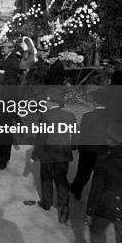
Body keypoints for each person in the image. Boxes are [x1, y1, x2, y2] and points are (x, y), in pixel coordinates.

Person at [32, 89, 77, 223]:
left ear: (51, 102)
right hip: (63, 154)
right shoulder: (70, 115)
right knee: (61, 180)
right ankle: (63, 207)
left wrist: (35, 155)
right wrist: (72, 147)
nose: (45, 103)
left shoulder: (45, 116)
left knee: (46, 178)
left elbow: (41, 138)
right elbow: (76, 135)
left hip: (48, 154)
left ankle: (46, 203)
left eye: (46, 101)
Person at [69, 89, 112, 201]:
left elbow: (83, 134)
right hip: (104, 150)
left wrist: (79, 148)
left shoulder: (88, 116)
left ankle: (76, 191)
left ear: (95, 102)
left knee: (83, 173)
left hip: (88, 150)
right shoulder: (111, 116)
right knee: (100, 176)